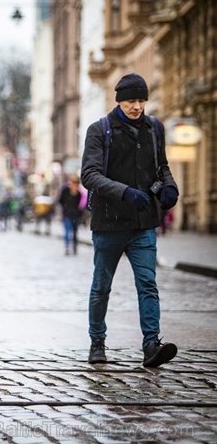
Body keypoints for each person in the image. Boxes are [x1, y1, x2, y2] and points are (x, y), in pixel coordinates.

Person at [81, 73, 179, 368]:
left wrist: (170, 185)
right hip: (109, 224)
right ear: (119, 101)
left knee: (148, 283)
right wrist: (124, 192)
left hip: (143, 224)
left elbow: (161, 167)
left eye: (140, 101)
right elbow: (89, 175)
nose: (137, 106)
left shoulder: (154, 128)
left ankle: (151, 344)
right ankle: (97, 341)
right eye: (130, 101)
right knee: (102, 286)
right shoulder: (100, 130)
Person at [58, 173, 84, 255]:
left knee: (74, 231)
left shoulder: (79, 193)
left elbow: (80, 204)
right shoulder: (65, 190)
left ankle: (74, 247)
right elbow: (61, 201)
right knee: (67, 231)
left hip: (75, 214)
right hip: (67, 214)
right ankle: (67, 247)